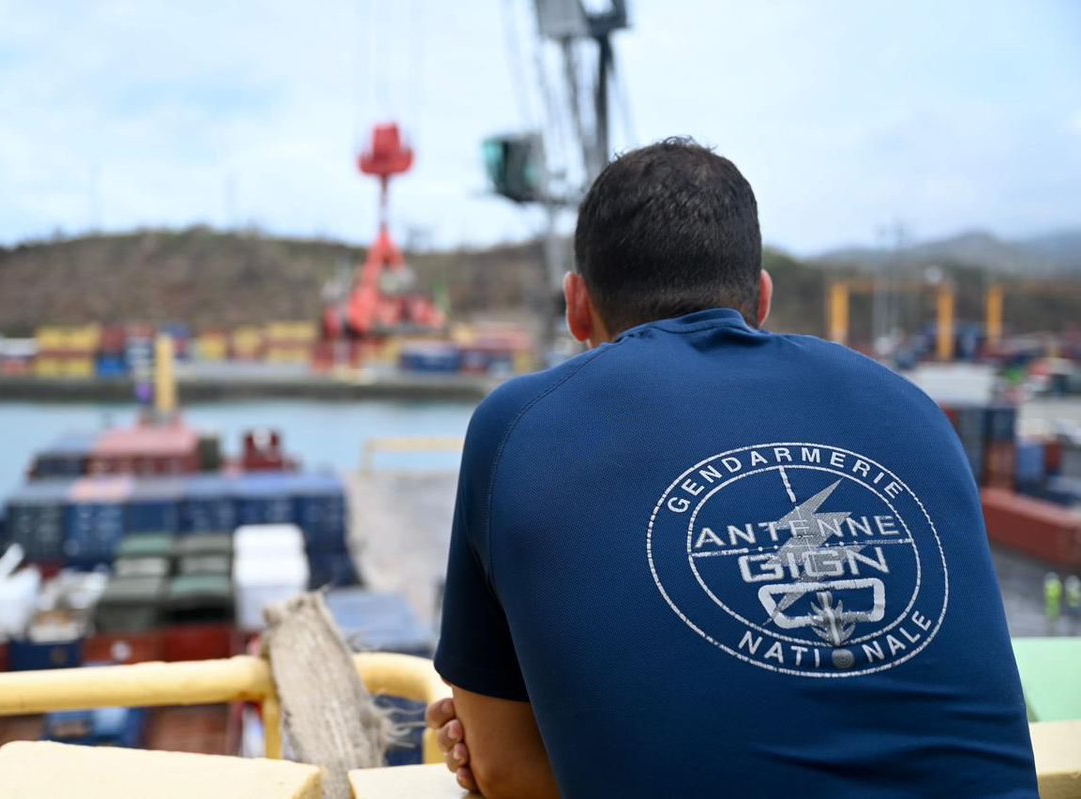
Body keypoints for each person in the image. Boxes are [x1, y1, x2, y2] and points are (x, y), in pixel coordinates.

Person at [425, 138, 1038, 798]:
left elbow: (504, 770)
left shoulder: (519, 422)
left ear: (576, 305)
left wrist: (537, 732)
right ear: (761, 300)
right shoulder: (912, 409)